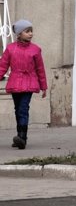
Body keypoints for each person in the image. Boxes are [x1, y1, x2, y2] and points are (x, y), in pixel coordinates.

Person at [0, 19, 47, 150]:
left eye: (31, 31)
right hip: (15, 82)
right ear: (19, 34)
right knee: (17, 109)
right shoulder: (10, 49)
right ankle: (20, 137)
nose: (31, 33)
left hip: (29, 83)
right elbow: (3, 66)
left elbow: (40, 69)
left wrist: (44, 86)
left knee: (23, 109)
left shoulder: (35, 50)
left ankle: (22, 136)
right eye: (27, 31)